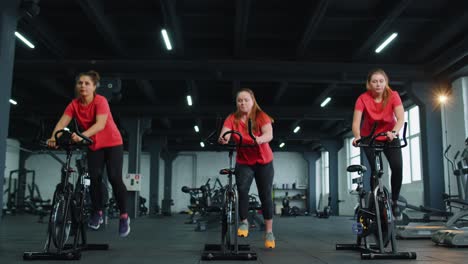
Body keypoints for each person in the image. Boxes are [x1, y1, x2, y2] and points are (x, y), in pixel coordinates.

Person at [47, 70, 130, 237]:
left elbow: (100, 124)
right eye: (80, 83)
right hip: (94, 145)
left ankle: (124, 216)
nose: (83, 86)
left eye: (87, 83)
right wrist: (53, 137)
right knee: (94, 177)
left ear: (94, 87)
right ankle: (97, 212)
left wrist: (81, 136)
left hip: (113, 143)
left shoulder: (101, 101)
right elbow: (63, 122)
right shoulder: (74, 104)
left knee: (114, 177)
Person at [218, 88, 276, 249]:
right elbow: (226, 133)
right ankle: (243, 222)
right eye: (239, 101)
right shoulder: (232, 118)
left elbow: (269, 135)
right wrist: (223, 138)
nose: (242, 103)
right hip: (244, 161)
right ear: (237, 103)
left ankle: (269, 232)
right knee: (242, 190)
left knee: (265, 195)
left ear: (252, 101)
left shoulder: (260, 116)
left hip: (264, 161)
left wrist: (259, 139)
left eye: (245, 100)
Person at [352, 68, 405, 219]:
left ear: (386, 82)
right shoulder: (362, 98)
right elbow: (356, 122)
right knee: (376, 170)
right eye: (374, 81)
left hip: (390, 135)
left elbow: (400, 118)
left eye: (381, 81)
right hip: (369, 136)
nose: (378, 84)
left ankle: (394, 201)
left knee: (397, 167)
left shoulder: (393, 96)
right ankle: (375, 203)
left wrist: (394, 132)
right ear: (369, 84)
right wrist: (357, 136)